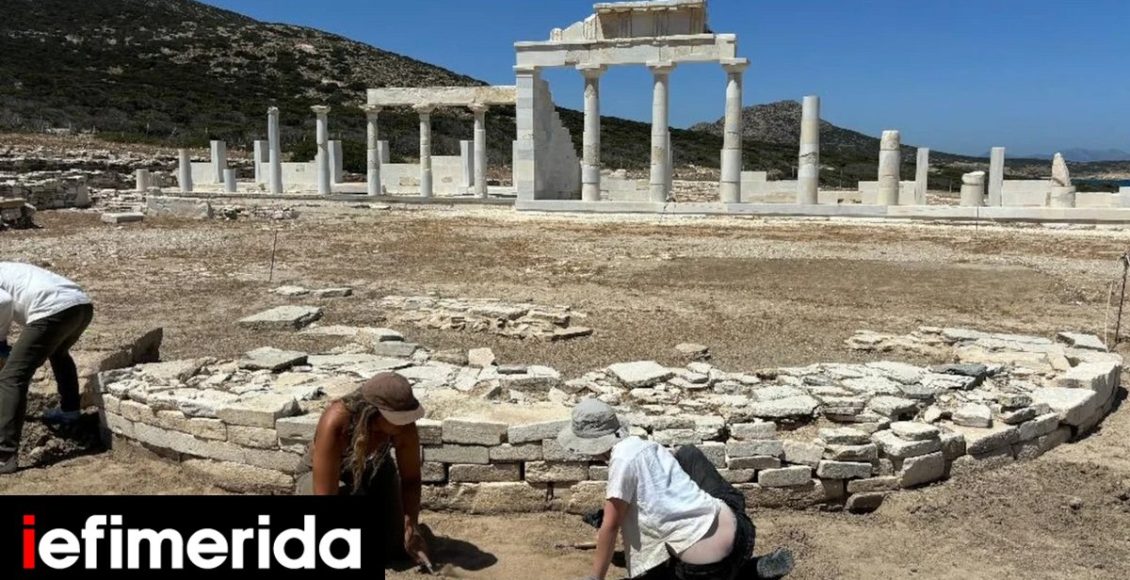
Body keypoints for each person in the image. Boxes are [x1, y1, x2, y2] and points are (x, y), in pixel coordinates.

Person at [560, 399, 794, 580]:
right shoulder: (646, 446)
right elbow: (660, 491)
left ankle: (749, 573)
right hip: (739, 529)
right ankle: (752, 567)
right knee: (688, 455)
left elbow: (611, 528)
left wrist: (595, 576)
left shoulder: (620, 461)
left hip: (705, 569)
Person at [297, 372, 433, 570]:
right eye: (398, 419)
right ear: (373, 413)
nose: (405, 423)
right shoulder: (336, 421)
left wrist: (411, 523)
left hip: (374, 471)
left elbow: (411, 479)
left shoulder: (403, 426)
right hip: (322, 478)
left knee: (398, 549)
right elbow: (325, 495)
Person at [0, 261, 94, 475]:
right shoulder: (8, 268)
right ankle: (69, 411)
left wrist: (1, 342)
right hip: (81, 306)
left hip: (52, 311)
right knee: (59, 353)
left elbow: (3, 302)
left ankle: (4, 456)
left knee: (12, 377)